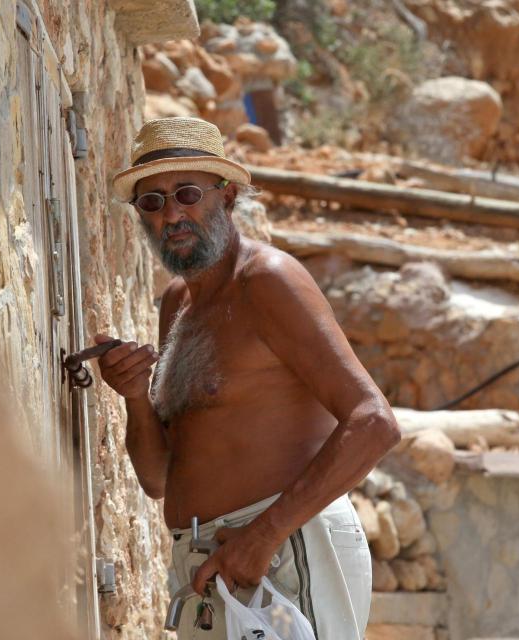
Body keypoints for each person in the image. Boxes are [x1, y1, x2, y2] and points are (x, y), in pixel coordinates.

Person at [97, 116, 400, 639]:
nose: (172, 214)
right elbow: (158, 480)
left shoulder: (268, 281)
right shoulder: (179, 302)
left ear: (227, 196)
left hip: (285, 549)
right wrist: (135, 397)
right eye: (152, 202)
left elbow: (374, 422)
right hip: (207, 562)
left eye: (187, 193)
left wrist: (264, 536)